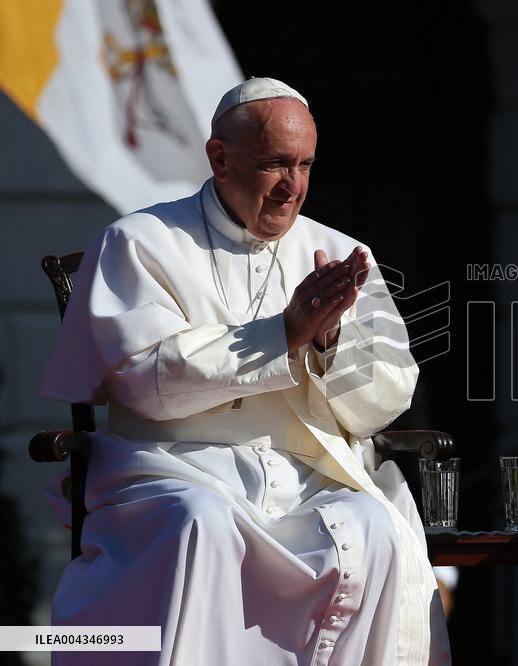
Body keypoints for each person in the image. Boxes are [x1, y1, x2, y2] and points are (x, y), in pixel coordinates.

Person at [41, 77, 449, 665]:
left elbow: (390, 397)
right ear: (219, 157)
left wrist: (329, 343)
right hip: (173, 470)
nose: (293, 187)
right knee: (199, 523)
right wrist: (284, 335)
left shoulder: (339, 252)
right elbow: (143, 375)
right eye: (275, 165)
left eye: (306, 165)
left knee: (374, 527)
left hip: (304, 479)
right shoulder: (140, 241)